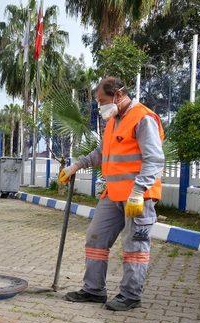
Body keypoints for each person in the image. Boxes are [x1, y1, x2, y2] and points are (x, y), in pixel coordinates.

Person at [58, 76, 165, 311]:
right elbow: (101, 152)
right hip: (113, 194)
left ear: (118, 95)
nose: (100, 106)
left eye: (102, 100)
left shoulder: (143, 118)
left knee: (134, 247)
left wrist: (138, 191)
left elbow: (154, 160)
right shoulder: (113, 120)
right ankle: (93, 290)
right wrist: (76, 165)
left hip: (139, 197)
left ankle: (130, 295)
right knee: (95, 237)